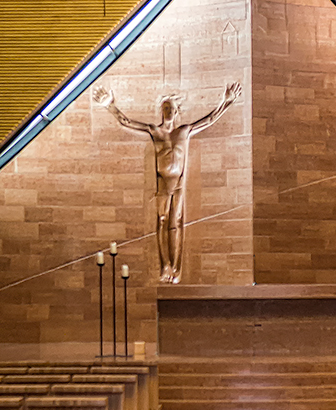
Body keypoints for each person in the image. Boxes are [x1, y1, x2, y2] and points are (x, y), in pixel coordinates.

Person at [93, 81, 242, 282]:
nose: (168, 111)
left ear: (177, 111)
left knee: (177, 222)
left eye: (171, 107)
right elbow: (126, 122)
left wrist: (227, 101)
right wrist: (110, 105)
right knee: (162, 221)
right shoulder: (156, 131)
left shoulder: (184, 131)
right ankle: (165, 265)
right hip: (163, 181)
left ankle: (176, 268)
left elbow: (210, 120)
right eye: (165, 108)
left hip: (179, 181)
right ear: (161, 111)